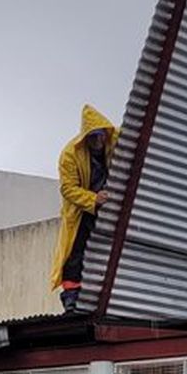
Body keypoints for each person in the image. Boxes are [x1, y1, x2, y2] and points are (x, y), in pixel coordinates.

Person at [51, 104, 118, 312]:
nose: (97, 142)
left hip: (109, 209)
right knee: (75, 256)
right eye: (92, 137)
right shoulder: (70, 155)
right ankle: (72, 298)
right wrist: (93, 199)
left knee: (108, 252)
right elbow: (68, 189)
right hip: (82, 210)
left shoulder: (116, 142)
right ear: (85, 138)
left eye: (100, 136)